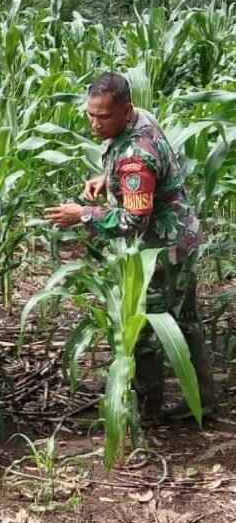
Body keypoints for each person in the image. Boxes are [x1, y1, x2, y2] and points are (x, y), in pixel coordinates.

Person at [44, 72, 215, 423]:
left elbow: (134, 220)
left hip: (161, 252)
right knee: (186, 321)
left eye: (104, 117)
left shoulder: (137, 156)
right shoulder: (139, 120)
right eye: (91, 114)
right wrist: (108, 179)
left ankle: (147, 411)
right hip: (183, 238)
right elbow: (141, 171)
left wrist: (83, 215)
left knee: (146, 330)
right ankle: (204, 398)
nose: (95, 124)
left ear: (125, 110)